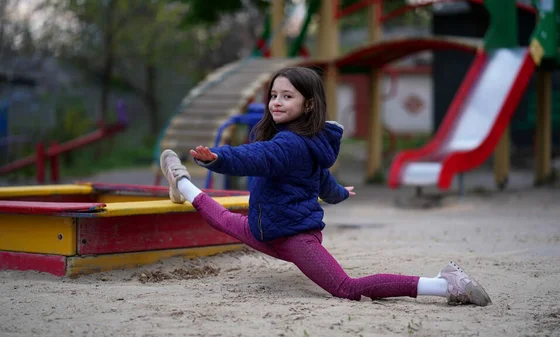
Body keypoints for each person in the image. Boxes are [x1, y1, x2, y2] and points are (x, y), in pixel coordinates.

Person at [160, 66, 491, 306]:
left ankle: (444, 284)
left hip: (291, 236)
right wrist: (339, 193)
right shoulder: (304, 142)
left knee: (346, 288)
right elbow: (322, 181)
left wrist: (218, 158)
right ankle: (181, 179)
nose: (276, 101)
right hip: (267, 228)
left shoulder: (288, 145)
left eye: (287, 96)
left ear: (308, 105)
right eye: (273, 95)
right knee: (221, 218)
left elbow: (252, 157)